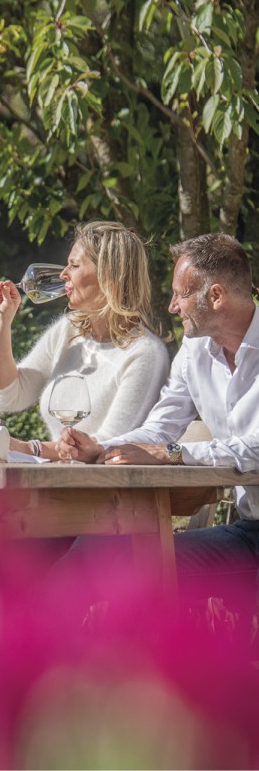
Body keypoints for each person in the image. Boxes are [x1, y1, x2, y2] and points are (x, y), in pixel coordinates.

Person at [58, 232, 259, 605]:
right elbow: (161, 426)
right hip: (248, 529)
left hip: (252, 540)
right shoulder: (194, 350)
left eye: (181, 294)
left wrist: (173, 452)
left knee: (132, 564)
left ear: (215, 296)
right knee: (96, 548)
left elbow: (255, 449)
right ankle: (40, 647)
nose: (172, 306)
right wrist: (105, 447)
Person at [0, 220, 170, 460]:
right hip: (60, 480)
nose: (63, 274)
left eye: (73, 265)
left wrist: (28, 447)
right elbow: (9, 398)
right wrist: (1, 324)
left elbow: (108, 445)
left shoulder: (145, 353)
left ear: (109, 275)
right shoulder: (68, 331)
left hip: (111, 490)